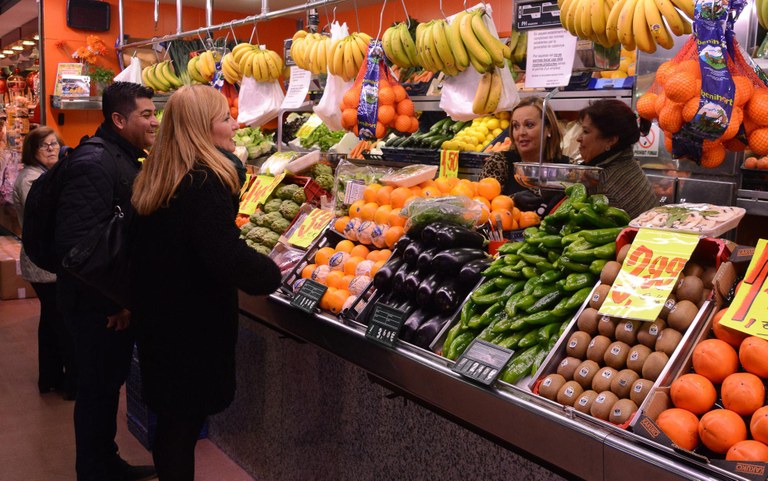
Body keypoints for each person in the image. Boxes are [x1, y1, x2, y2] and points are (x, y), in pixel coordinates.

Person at [130, 85, 281, 481]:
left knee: (172, 423)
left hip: (160, 320)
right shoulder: (202, 182)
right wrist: (273, 273)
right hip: (191, 327)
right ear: (202, 127)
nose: (234, 125)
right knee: (182, 424)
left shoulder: (159, 175)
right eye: (225, 118)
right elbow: (224, 254)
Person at [53, 82, 158, 481]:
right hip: (95, 307)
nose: (154, 120)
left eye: (153, 112)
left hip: (106, 301)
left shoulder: (122, 157)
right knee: (97, 390)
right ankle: (95, 471)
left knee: (105, 388)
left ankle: (105, 461)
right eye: (146, 114)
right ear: (118, 119)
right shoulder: (95, 164)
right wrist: (114, 304)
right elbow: (78, 249)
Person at [13, 126, 76, 399]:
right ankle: (70, 381)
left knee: (51, 321)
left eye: (54, 143)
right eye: (44, 145)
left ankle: (50, 379)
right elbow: (45, 216)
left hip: (45, 261)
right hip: (42, 264)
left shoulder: (46, 175)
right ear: (33, 151)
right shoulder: (30, 179)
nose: (51, 149)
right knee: (61, 321)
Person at [481, 97, 568, 216]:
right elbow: (480, 207)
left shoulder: (567, 168)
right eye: (516, 126)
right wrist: (512, 201)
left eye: (529, 125)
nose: (521, 132)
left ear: (548, 128)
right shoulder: (499, 162)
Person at [576, 99, 658, 218]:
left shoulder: (603, 186)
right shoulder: (626, 162)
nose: (578, 138)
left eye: (585, 131)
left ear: (611, 140)